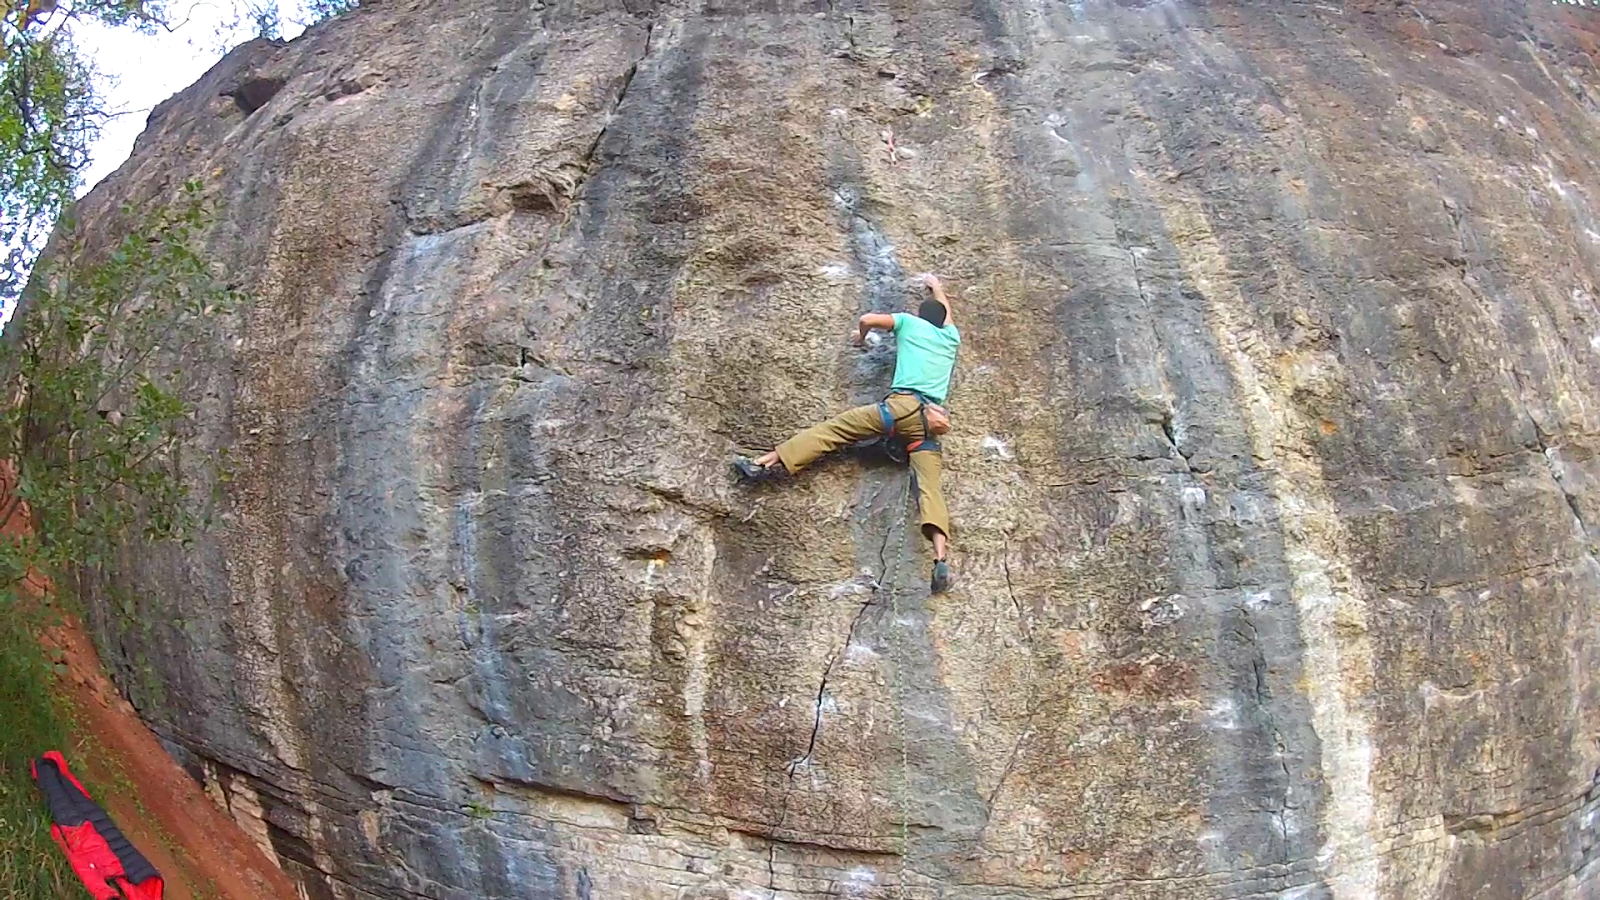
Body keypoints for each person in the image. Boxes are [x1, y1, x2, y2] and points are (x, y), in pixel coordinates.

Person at [734, 273, 962, 593]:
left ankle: (762, 464)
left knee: (833, 431)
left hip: (899, 409)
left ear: (921, 315)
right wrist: (937, 287)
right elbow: (946, 313)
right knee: (930, 490)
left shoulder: (909, 322)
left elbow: (867, 319)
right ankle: (940, 560)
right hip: (928, 425)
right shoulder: (951, 338)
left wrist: (861, 336)